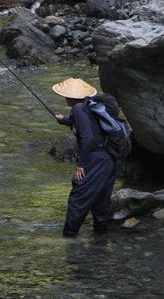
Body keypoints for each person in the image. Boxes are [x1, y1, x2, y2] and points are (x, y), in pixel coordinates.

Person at [52, 77, 116, 237]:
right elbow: (90, 127)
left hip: (95, 158)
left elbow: (88, 137)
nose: (65, 98)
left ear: (71, 97)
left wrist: (81, 164)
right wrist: (64, 121)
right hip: (109, 157)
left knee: (78, 198)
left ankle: (69, 237)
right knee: (101, 200)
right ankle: (101, 239)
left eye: (66, 95)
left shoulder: (79, 109)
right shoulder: (90, 105)